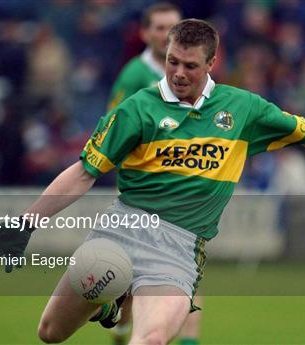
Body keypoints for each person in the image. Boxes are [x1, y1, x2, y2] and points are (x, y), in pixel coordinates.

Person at [0, 19, 305, 345]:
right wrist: (23, 226)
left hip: (177, 250)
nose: (178, 73)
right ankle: (116, 299)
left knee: (149, 340)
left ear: (212, 63)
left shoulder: (241, 109)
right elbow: (82, 172)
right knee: (50, 333)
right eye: (172, 62)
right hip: (119, 232)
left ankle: (121, 302)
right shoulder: (137, 109)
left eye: (190, 65)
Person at [106, 4, 203, 345]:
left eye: (173, 28)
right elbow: (111, 130)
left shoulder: (192, 76)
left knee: (188, 271)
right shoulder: (134, 76)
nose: (167, 34)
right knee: (139, 277)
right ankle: (120, 319)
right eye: (160, 28)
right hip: (145, 195)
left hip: (185, 193)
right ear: (146, 34)